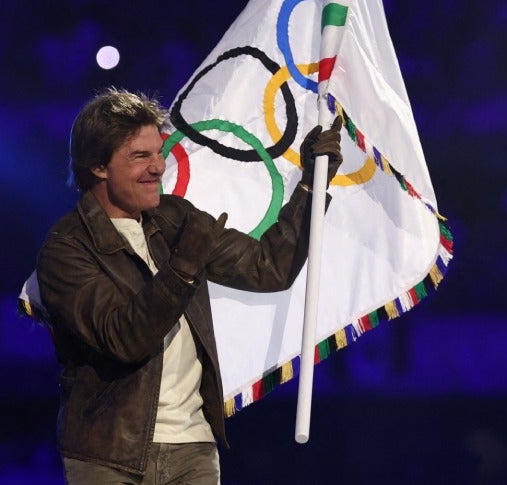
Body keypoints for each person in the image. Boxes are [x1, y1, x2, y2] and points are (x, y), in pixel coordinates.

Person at [35, 87, 343, 484]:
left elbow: (269, 268)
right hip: (108, 455)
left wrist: (310, 186)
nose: (158, 167)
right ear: (98, 166)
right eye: (140, 156)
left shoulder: (175, 217)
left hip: (194, 447)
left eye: (158, 152)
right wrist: (182, 269)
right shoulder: (66, 248)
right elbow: (123, 338)